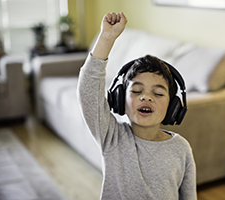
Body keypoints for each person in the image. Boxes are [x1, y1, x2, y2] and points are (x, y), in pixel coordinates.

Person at [77, 12, 197, 200]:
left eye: (157, 93)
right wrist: (107, 38)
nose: (146, 98)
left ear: (174, 106)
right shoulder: (112, 137)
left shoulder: (182, 149)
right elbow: (88, 91)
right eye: (136, 91)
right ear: (120, 100)